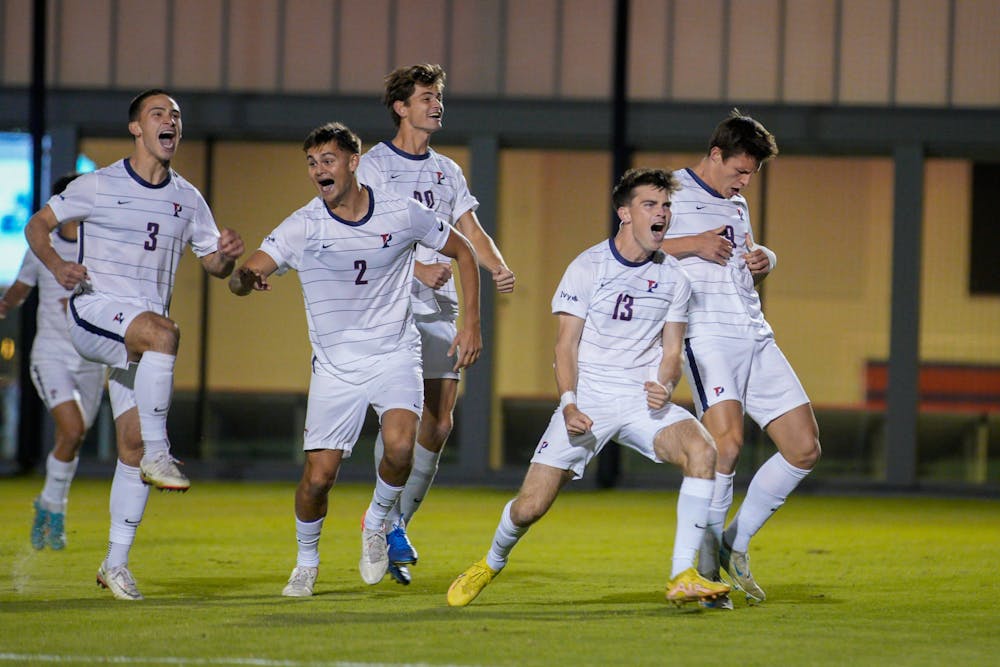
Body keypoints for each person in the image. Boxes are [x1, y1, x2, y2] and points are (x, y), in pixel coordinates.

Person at [447, 168, 730, 608]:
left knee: (704, 450)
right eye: (650, 205)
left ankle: (682, 574)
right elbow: (565, 346)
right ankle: (490, 562)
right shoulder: (588, 266)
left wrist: (665, 382)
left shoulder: (676, 279)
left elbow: (672, 350)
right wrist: (569, 404)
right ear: (624, 214)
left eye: (667, 206)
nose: (662, 214)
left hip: (641, 401)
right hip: (588, 402)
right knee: (530, 507)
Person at [229, 121, 482, 597]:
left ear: (353, 161)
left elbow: (463, 251)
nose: (318, 170)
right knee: (318, 478)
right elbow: (246, 276)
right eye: (311, 162)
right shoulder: (304, 225)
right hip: (336, 368)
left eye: (327, 160)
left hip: (394, 353)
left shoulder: (400, 213)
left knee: (402, 447)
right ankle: (307, 561)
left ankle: (378, 522)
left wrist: (471, 324)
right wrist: (243, 278)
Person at [24, 89, 245, 600]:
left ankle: (114, 565)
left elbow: (213, 265)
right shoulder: (96, 185)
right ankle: (163, 452)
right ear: (136, 129)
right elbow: (39, 224)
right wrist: (57, 267)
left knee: (130, 446)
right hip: (94, 312)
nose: (171, 121)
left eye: (176, 116)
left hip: (142, 339)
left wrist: (228, 255)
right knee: (165, 333)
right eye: (158, 114)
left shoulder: (188, 197)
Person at [355, 63, 515, 585]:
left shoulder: (448, 170)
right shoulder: (375, 166)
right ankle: (384, 520)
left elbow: (469, 229)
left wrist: (495, 265)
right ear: (401, 107)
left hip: (442, 306)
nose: (436, 104)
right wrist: (415, 266)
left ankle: (394, 521)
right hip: (394, 303)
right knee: (404, 415)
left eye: (438, 96)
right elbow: (363, 233)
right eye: (426, 97)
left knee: (441, 422)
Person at [660, 110, 821, 608]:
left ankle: (734, 542)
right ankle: (707, 573)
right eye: (739, 171)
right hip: (706, 336)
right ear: (715, 154)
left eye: (751, 174)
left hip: (754, 334)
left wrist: (764, 260)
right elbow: (631, 250)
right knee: (725, 446)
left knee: (804, 447)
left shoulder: (737, 204)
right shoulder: (668, 191)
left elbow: (743, 259)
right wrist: (692, 244)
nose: (745, 182)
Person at [2, 173, 106, 551]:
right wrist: (4, 304)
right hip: (51, 355)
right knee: (73, 428)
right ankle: (57, 510)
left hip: (92, 359)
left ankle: (46, 504)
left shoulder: (100, 248)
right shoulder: (41, 250)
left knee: (72, 438)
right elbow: (20, 288)